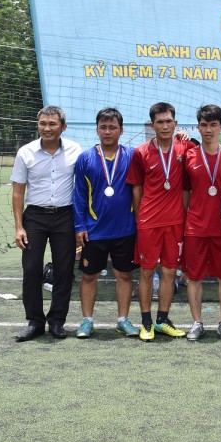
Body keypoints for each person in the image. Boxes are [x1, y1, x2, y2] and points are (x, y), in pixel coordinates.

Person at [11, 106, 82, 341]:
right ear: (38, 125)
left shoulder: (75, 151)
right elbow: (18, 192)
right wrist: (19, 226)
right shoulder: (26, 152)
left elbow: (81, 189)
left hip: (65, 217)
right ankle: (35, 322)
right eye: (43, 123)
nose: (47, 128)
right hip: (35, 218)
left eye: (52, 124)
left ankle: (57, 321)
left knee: (64, 271)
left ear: (63, 126)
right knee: (31, 269)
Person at [126, 102, 194, 341]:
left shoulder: (185, 149)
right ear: (152, 125)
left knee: (169, 272)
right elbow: (136, 189)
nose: (165, 126)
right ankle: (146, 323)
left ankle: (162, 320)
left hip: (175, 222)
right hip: (148, 222)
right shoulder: (141, 152)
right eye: (160, 122)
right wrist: (139, 219)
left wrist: (190, 138)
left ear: (175, 123)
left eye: (169, 121)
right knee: (146, 273)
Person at [73, 108, 140, 338]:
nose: (108, 131)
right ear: (97, 129)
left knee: (124, 275)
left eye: (112, 127)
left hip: (126, 229)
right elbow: (79, 195)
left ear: (121, 130)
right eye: (103, 127)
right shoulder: (85, 158)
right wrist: (79, 226)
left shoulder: (133, 155)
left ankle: (122, 319)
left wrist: (182, 137)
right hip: (94, 231)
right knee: (89, 276)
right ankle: (87, 320)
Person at [182, 104, 221, 341]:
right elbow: (185, 193)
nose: (209, 130)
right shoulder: (189, 156)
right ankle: (197, 322)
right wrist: (190, 218)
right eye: (204, 125)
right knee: (194, 277)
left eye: (213, 125)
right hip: (195, 228)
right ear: (198, 127)